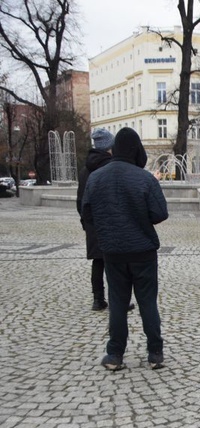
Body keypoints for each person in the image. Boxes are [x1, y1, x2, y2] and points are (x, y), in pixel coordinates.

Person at [82, 127, 169, 371]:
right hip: (143, 251)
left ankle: (115, 355)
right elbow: (160, 213)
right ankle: (155, 353)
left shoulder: (96, 177)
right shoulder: (145, 179)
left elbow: (87, 211)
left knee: (118, 303)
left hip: (112, 252)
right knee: (148, 302)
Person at [76, 128, 114, 311]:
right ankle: (117, 299)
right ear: (109, 146)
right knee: (115, 262)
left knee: (98, 261)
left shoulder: (85, 170)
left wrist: (86, 222)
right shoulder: (111, 167)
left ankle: (98, 299)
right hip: (112, 221)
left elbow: (80, 199)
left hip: (92, 222)